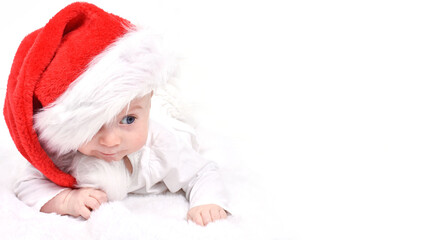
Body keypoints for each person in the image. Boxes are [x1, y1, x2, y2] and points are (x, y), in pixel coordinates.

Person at [3, 2, 229, 226]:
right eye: (93, 125)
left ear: (148, 101)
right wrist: (65, 200)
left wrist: (207, 203)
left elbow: (202, 173)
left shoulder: (163, 146)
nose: (110, 141)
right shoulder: (62, 152)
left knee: (183, 121)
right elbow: (27, 184)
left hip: (171, 124)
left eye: (128, 120)